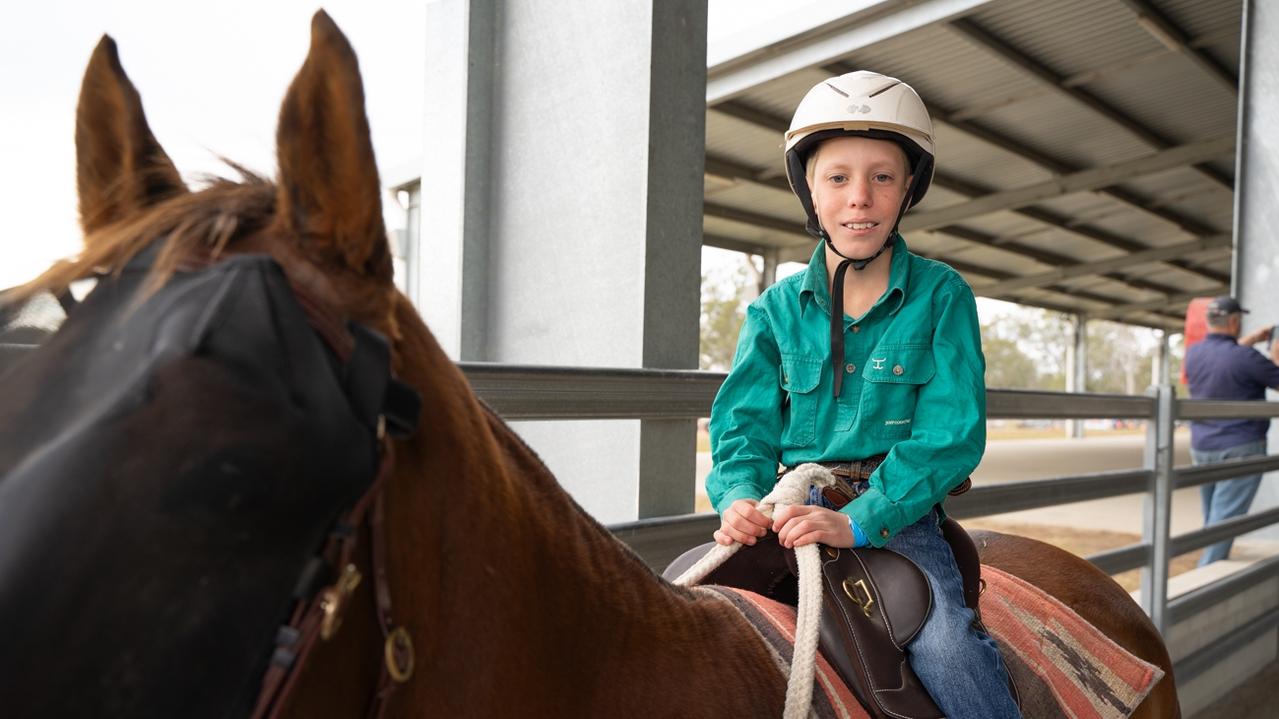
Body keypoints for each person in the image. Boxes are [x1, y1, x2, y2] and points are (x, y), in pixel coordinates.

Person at [705, 71, 1020, 719]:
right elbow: (742, 424)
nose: (859, 198)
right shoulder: (771, 311)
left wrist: (859, 519)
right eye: (838, 177)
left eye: (882, 176)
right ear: (810, 193)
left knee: (947, 650)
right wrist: (737, 495)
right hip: (786, 507)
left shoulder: (941, 296)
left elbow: (949, 434)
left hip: (892, 515)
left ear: (908, 189)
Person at [1184, 295, 1279, 566]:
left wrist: (1248, 341)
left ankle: (1208, 568)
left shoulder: (1193, 354)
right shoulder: (1247, 357)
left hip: (1202, 448)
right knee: (1223, 524)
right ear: (1235, 321)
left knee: (1214, 522)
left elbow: (1227, 360)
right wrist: (1275, 351)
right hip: (1240, 447)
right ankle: (1204, 582)